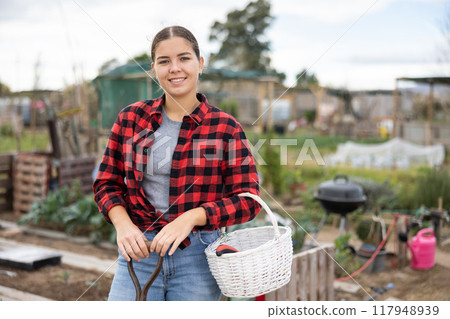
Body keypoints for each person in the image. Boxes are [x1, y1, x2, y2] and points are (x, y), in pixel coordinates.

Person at [93, 25, 261, 301]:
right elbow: (106, 183)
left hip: (197, 257)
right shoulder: (131, 119)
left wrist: (192, 217)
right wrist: (123, 226)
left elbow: (248, 200)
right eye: (164, 61)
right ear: (153, 69)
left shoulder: (225, 128)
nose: (175, 68)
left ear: (200, 63)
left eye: (184, 58)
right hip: (140, 251)